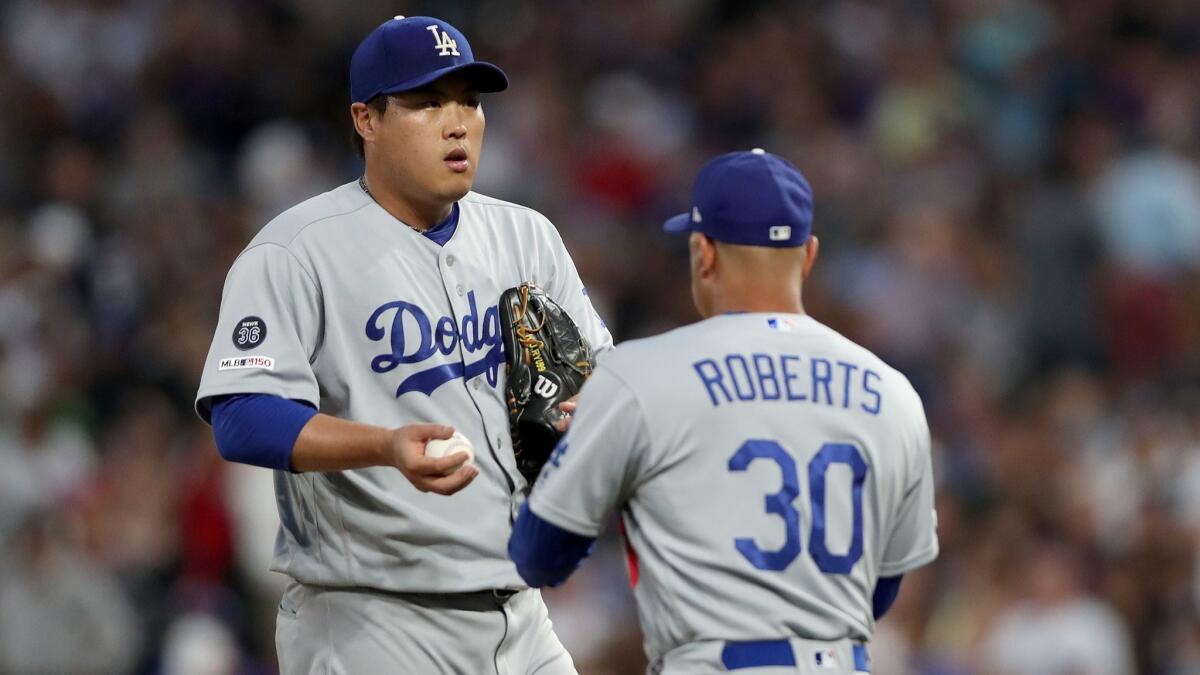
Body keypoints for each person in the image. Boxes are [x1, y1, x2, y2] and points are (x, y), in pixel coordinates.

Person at [194, 15, 611, 674]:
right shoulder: (296, 250)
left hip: (521, 612)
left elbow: (595, 384)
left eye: (469, 101)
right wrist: (384, 445)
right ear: (366, 120)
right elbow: (242, 415)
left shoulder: (526, 237)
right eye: (426, 102)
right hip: (370, 619)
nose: (457, 122)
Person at [509, 149, 939, 674]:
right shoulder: (893, 392)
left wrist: (572, 453)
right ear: (808, 255)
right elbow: (882, 588)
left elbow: (538, 557)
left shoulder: (641, 376)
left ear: (703, 252)